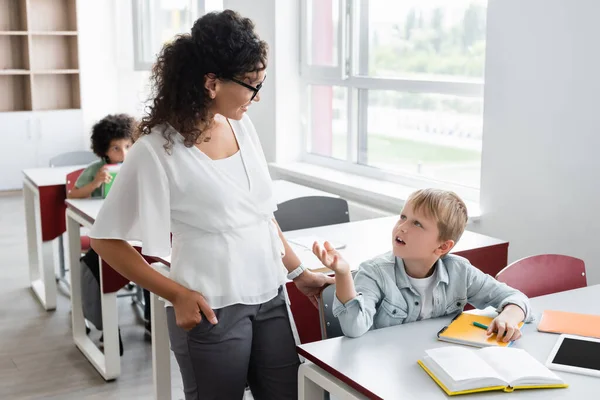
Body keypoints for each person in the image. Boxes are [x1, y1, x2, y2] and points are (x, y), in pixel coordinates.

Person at [89, 10, 332, 400]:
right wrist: (176, 294)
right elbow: (105, 240)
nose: (258, 94)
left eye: (261, 81)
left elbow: (259, 214)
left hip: (270, 296)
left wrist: (298, 271)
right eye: (251, 84)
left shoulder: (240, 125)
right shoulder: (155, 149)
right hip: (211, 306)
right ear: (211, 82)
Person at [312, 188, 532, 340]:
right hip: (385, 369)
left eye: (417, 223)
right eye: (403, 217)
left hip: (436, 363)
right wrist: (342, 274)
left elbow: (516, 298)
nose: (402, 227)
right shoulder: (375, 272)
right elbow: (354, 328)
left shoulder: (460, 272)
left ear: (443, 247)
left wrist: (509, 315)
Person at [67, 114, 134, 199]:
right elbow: (72, 195)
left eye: (127, 146)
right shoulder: (94, 169)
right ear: (104, 150)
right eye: (116, 148)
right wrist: (95, 183)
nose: (124, 153)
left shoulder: (136, 166)